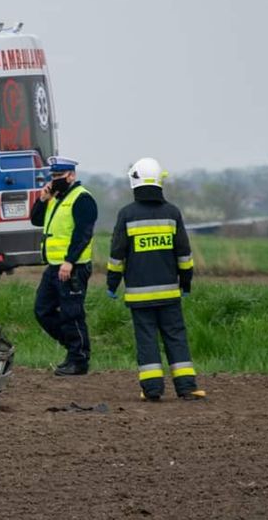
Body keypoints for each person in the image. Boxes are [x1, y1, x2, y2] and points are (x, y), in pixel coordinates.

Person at [106, 158, 206, 401]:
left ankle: (152, 390)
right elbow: (184, 253)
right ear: (160, 181)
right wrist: (186, 282)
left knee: (146, 340)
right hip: (170, 294)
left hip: (139, 296)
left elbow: (117, 254)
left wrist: (112, 283)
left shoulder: (127, 214)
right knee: (176, 338)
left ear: (134, 182)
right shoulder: (172, 213)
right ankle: (187, 388)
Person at [31, 156, 98, 376]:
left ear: (71, 175)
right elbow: (36, 220)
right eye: (53, 176)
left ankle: (78, 359)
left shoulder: (82, 199)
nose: (55, 180)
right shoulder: (56, 198)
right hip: (54, 266)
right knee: (42, 311)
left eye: (59, 176)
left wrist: (69, 261)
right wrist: (42, 199)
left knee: (72, 313)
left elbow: (83, 234)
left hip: (73, 267)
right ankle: (74, 347)